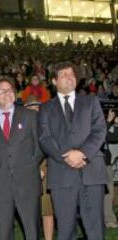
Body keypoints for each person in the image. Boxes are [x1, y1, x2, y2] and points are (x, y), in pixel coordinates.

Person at [38, 61, 108, 240]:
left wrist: (82, 153)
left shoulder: (91, 101)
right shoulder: (45, 108)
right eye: (64, 75)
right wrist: (67, 158)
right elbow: (44, 139)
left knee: (95, 230)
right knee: (65, 231)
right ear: (54, 81)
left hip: (91, 172)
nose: (70, 78)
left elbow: (100, 130)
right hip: (62, 174)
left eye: (72, 74)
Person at [0, 78, 43, 240]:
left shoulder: (30, 116)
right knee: (4, 233)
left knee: (33, 232)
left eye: (9, 90)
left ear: (15, 94)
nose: (6, 94)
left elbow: (40, 146)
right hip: (0, 185)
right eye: (1, 91)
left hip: (28, 183)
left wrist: (30, 165)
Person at [24, 96, 54, 240]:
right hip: (26, 172)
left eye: (37, 108)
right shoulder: (20, 128)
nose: (35, 111)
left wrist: (45, 169)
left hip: (46, 171)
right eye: (31, 108)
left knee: (47, 210)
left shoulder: (47, 127)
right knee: (30, 211)